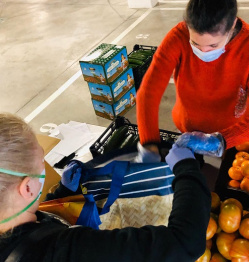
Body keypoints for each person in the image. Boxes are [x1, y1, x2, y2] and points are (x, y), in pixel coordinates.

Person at [0, 112, 211, 262]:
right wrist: (187, 169)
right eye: (41, 162)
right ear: (27, 189)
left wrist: (63, 193)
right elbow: (185, 243)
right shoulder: (68, 249)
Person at [136, 0, 249, 161]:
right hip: (187, 129)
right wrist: (149, 144)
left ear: (233, 25)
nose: (203, 52)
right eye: (195, 43)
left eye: (213, 45)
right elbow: (149, 91)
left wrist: (221, 140)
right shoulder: (178, 36)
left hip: (234, 134)